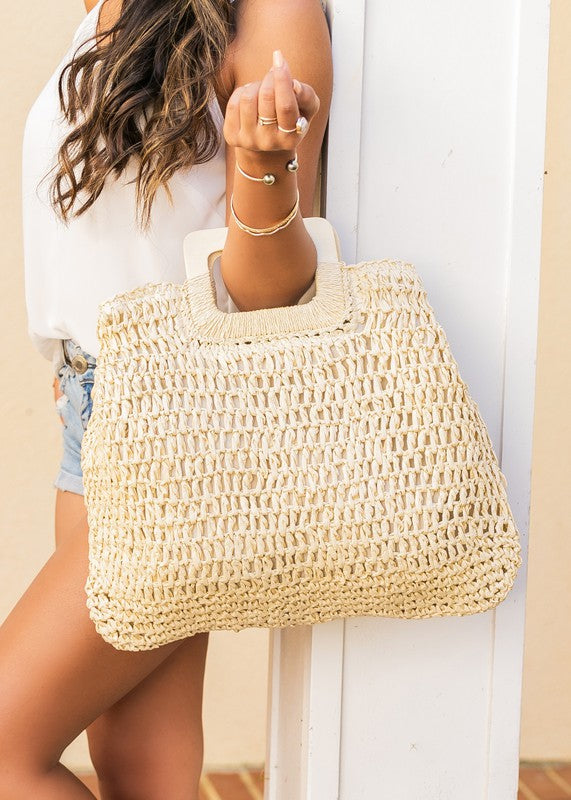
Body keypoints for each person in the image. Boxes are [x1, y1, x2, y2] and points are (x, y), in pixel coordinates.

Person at [1, 0, 333, 796]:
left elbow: (275, 295)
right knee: (142, 763)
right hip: (94, 410)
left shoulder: (273, 16)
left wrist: (261, 164)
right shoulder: (108, 5)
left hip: (181, 427)